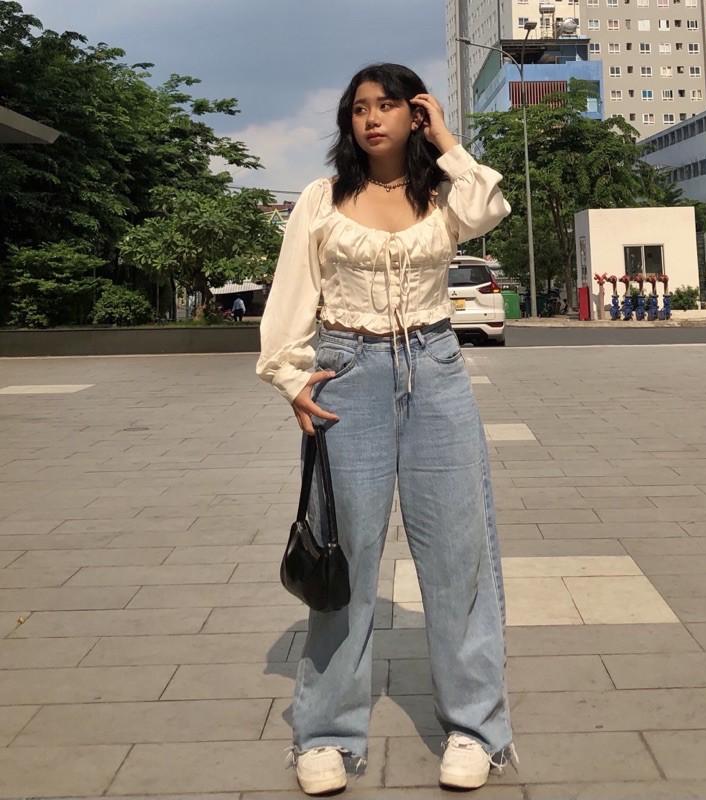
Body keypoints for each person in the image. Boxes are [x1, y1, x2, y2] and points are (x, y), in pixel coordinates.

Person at [256, 63, 516, 796]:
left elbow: (491, 206)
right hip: (348, 374)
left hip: (436, 371)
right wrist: (290, 377)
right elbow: (292, 291)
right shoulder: (323, 199)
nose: (372, 118)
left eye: (390, 106)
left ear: (415, 115)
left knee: (459, 554)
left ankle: (474, 728)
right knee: (346, 554)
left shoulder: (444, 194)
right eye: (359, 108)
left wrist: (448, 140)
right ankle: (326, 733)